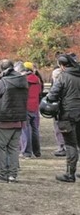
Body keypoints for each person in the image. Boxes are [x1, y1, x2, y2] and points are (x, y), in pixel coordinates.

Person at [0, 59, 28, 183]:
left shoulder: (3, 82)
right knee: (13, 149)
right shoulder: (23, 80)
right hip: (19, 119)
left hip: (4, 119)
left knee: (0, 147)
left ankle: (1, 174)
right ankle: (12, 175)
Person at [45, 54, 80, 182]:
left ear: (62, 65)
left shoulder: (63, 77)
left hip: (68, 114)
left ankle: (70, 174)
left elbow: (52, 95)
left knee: (70, 144)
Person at [21, 62, 42, 158]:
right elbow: (40, 92)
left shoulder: (23, 79)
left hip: (25, 106)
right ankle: (37, 151)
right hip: (35, 106)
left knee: (25, 129)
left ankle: (27, 152)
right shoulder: (37, 79)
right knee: (35, 129)